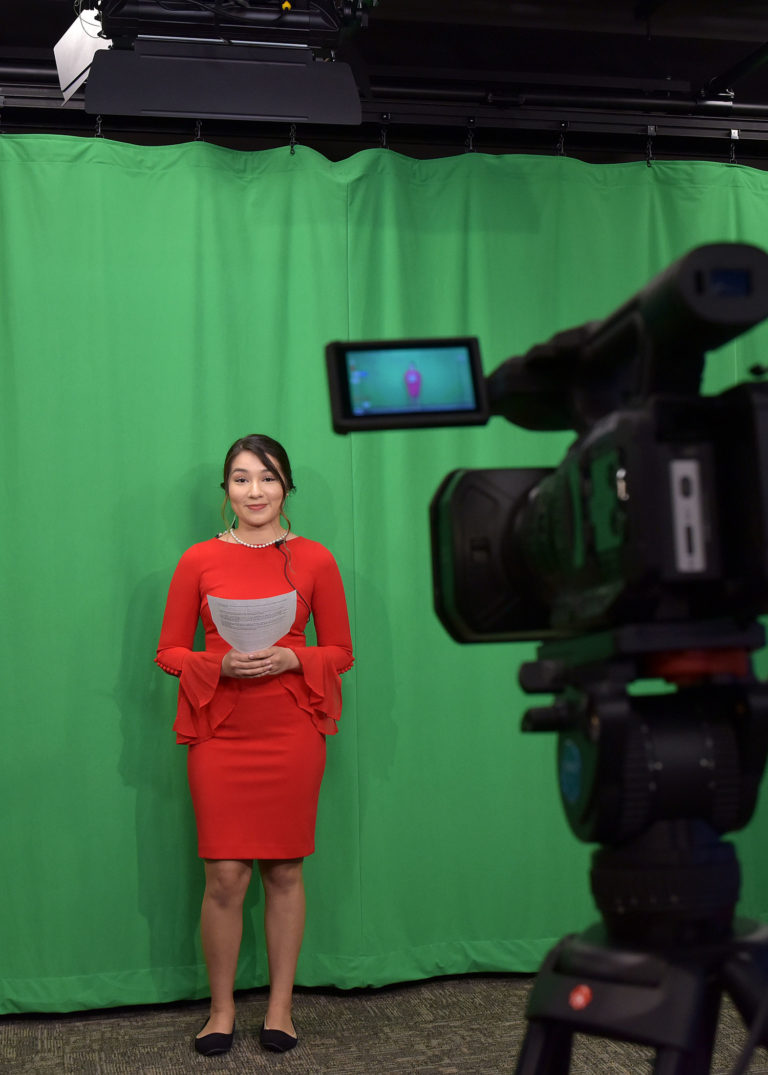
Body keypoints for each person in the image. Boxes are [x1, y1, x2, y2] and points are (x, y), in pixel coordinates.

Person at [155, 434, 354, 1056]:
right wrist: (218, 668)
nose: (255, 491)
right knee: (224, 877)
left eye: (267, 478)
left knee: (285, 871)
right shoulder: (196, 561)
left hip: (291, 731)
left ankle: (280, 1010)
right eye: (241, 479)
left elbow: (342, 652)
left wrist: (294, 656)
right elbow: (168, 652)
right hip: (220, 730)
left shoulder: (316, 559)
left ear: (286, 487)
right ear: (227, 491)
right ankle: (219, 1013)